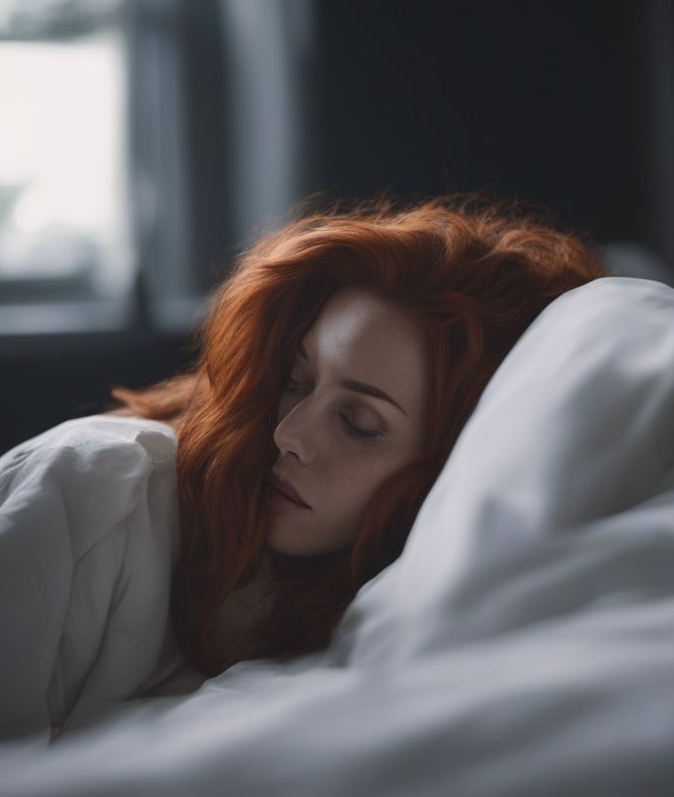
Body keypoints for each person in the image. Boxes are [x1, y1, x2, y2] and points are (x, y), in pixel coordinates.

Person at [111, 196, 605, 675]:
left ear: (451, 465)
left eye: (357, 424)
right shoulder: (112, 495)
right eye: (296, 380)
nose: (289, 433)